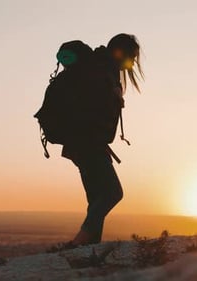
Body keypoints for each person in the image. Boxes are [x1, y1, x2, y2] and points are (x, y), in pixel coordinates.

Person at [60, 33, 144, 247]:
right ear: (119, 52)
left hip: (82, 143)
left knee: (96, 198)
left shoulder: (100, 68)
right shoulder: (102, 72)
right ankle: (79, 242)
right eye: (130, 57)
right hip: (88, 143)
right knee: (113, 193)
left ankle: (89, 250)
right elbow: (91, 110)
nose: (132, 63)